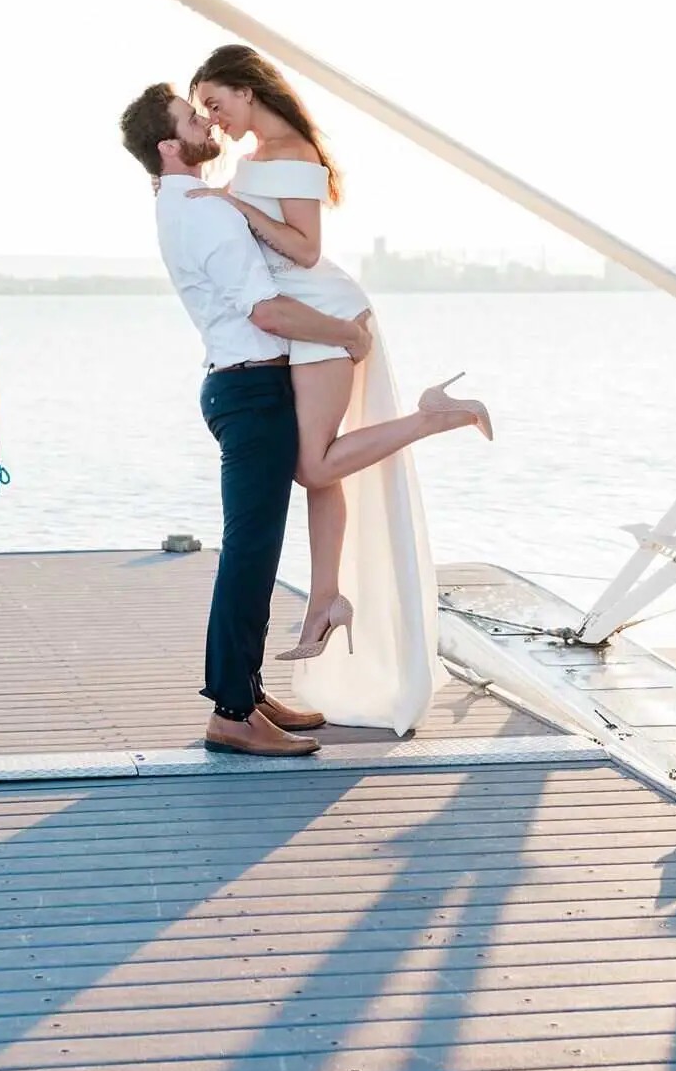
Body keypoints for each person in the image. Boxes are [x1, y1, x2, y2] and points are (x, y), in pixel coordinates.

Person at [184, 44, 491, 736]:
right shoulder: (254, 157)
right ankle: (328, 597)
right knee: (324, 474)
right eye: (203, 109)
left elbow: (305, 249)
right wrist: (222, 198)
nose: (213, 118)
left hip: (324, 317)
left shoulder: (291, 152)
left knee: (312, 463)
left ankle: (430, 417)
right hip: (303, 325)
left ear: (248, 87)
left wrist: (233, 208)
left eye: (216, 102)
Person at [120, 82, 372, 758]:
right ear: (170, 145)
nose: (205, 122)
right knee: (249, 556)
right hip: (250, 391)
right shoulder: (202, 211)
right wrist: (344, 334)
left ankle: (249, 691)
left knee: (253, 552)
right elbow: (267, 311)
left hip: (244, 387)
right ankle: (231, 711)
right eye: (189, 116)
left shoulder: (187, 201)